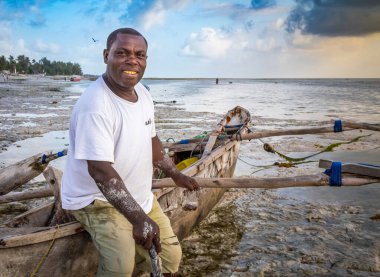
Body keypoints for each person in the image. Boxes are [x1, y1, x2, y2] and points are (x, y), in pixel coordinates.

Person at [61, 27, 199, 277]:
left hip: (138, 195)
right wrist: (138, 218)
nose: (132, 60)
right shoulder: (95, 105)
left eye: (140, 54)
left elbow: (152, 139)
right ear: (106, 55)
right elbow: (100, 171)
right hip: (96, 200)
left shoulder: (143, 94)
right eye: (122, 53)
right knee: (121, 268)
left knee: (171, 258)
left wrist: (174, 173)